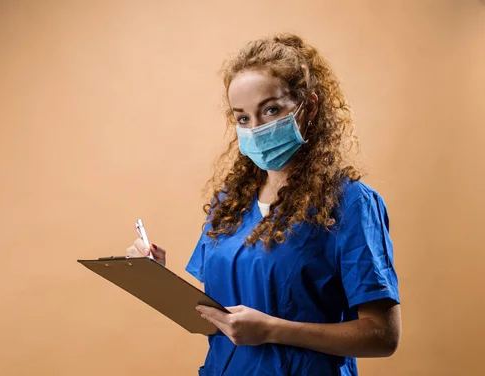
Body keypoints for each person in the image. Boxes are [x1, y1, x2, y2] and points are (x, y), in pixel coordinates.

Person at [126, 33, 401, 376]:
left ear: (309, 107)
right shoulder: (231, 203)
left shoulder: (350, 204)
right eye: (242, 118)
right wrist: (156, 278)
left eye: (270, 110)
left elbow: (383, 336)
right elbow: (220, 315)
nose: (255, 129)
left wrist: (273, 330)